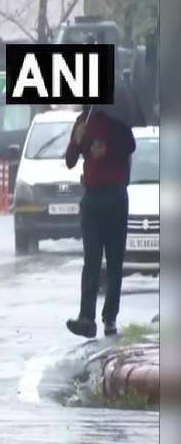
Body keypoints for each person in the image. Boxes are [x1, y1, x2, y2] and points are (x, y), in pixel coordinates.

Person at [64, 107, 136, 338]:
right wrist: (76, 141)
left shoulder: (118, 121)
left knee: (114, 261)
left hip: (115, 196)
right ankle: (87, 318)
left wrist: (108, 150)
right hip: (92, 198)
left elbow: (130, 146)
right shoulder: (83, 120)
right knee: (91, 259)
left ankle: (110, 316)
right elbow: (70, 161)